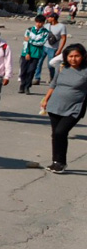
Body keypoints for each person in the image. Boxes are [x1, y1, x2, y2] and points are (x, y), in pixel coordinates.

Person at [40, 43, 87, 173]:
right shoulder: (61, 68)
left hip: (75, 107)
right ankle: (57, 162)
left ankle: (60, 162)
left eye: (77, 56)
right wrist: (46, 99)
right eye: (70, 56)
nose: (73, 59)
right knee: (56, 134)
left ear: (83, 56)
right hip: (55, 105)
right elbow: (53, 84)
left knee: (60, 132)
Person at [20, 14, 51, 93]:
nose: (38, 24)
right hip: (25, 53)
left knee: (31, 70)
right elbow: (25, 42)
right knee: (23, 70)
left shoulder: (45, 32)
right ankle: (22, 85)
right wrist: (27, 52)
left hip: (36, 54)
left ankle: (27, 86)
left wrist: (30, 41)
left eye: (40, 22)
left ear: (43, 23)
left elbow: (41, 43)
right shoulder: (29, 30)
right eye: (37, 22)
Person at [45, 11, 70, 85]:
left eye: (49, 17)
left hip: (53, 48)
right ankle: (37, 78)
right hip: (44, 46)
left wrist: (60, 49)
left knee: (51, 65)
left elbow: (64, 38)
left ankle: (52, 78)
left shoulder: (61, 26)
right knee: (39, 63)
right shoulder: (46, 25)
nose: (48, 18)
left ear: (53, 18)